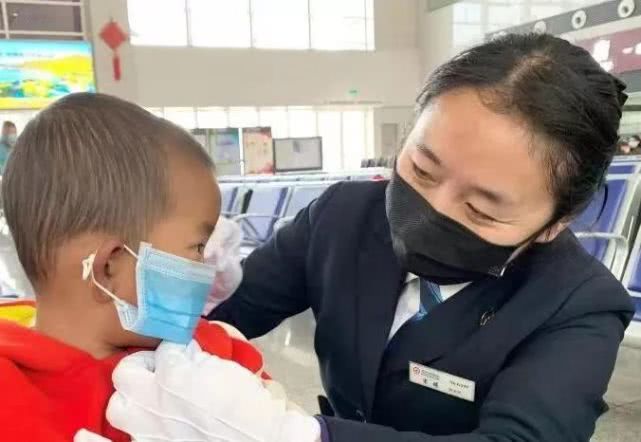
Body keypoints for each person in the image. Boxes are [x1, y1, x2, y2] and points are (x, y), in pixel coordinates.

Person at [108, 33, 635, 442]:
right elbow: (222, 319)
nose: (432, 211)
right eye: (422, 170)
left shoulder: (578, 304)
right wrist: (178, 288)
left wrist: (300, 435)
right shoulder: (343, 218)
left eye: (481, 209)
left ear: (556, 221)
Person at [0, 93, 283, 441]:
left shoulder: (213, 354)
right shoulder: (11, 402)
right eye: (197, 248)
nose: (207, 267)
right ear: (109, 268)